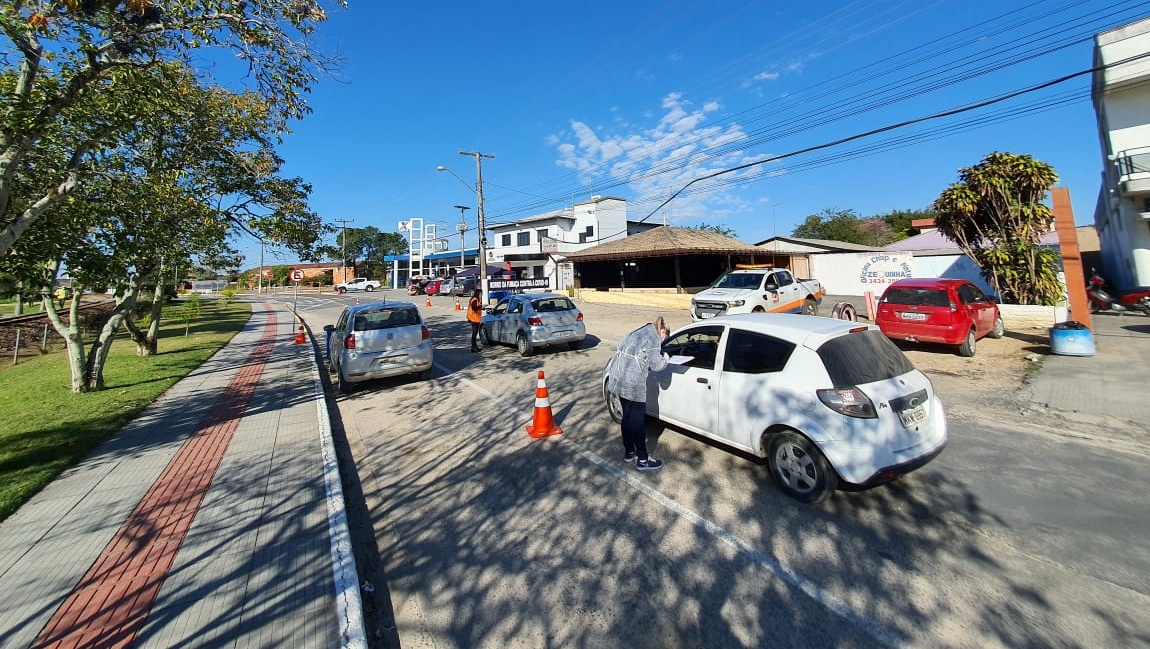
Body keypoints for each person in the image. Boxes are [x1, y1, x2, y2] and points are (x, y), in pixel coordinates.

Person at [606, 322, 670, 471]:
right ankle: (643, 459)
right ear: (662, 331)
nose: (663, 341)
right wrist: (666, 359)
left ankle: (629, 452)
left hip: (619, 377)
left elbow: (621, 345)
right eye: (664, 337)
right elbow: (656, 365)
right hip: (633, 383)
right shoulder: (653, 337)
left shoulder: (639, 330)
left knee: (627, 417)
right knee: (637, 422)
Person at [466, 287, 484, 352]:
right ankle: (473, 347)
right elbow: (474, 308)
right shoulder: (475, 299)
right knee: (474, 334)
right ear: (478, 293)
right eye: (480, 293)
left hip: (476, 319)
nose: (481, 295)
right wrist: (481, 306)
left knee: (475, 334)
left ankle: (475, 347)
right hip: (474, 319)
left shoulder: (476, 299)